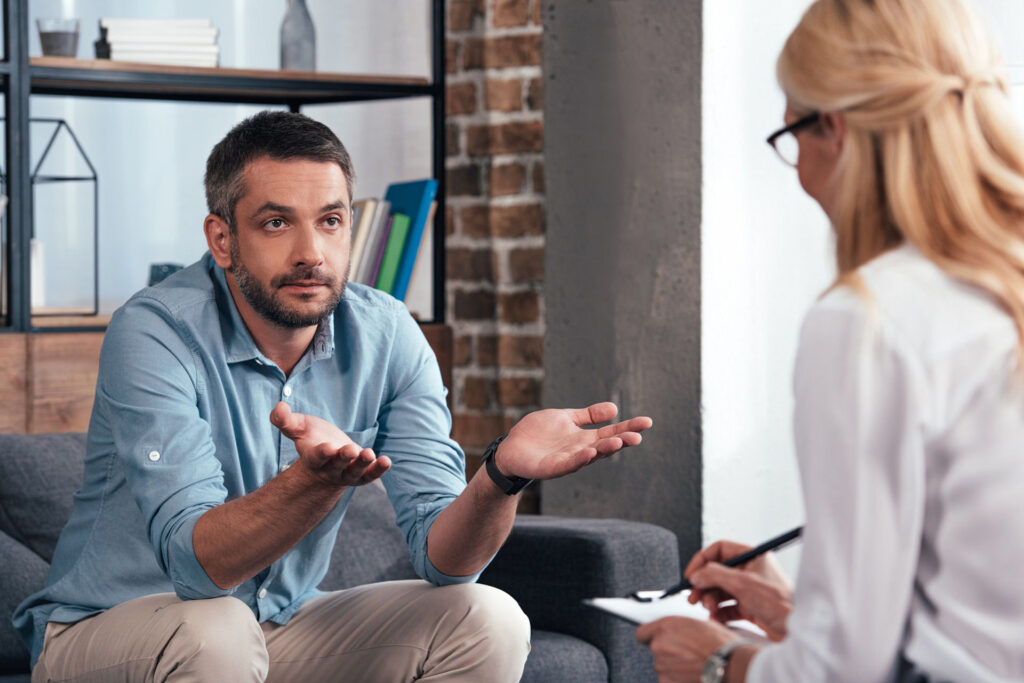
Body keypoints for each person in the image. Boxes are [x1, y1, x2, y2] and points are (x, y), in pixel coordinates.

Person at [13, 110, 653, 682]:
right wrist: (313, 483)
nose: (310, 253)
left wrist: (501, 476)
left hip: (276, 625)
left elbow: (443, 562)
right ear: (221, 239)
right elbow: (196, 568)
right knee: (216, 628)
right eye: (275, 223)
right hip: (105, 634)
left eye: (331, 221)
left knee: (486, 616)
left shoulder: (388, 332)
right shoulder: (153, 330)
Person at [636, 0, 1024, 681]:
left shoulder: (870, 318)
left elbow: (846, 672)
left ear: (835, 130)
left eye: (789, 135)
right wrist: (803, 612)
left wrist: (718, 660)